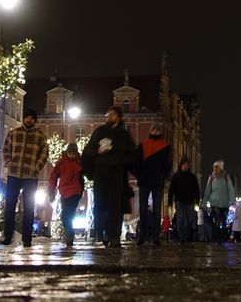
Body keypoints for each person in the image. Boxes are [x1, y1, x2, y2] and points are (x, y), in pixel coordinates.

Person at [82, 105, 136, 248]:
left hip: (117, 174)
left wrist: (120, 161)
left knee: (115, 206)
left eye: (112, 114)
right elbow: (87, 150)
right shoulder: (99, 131)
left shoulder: (124, 135)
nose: (108, 117)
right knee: (100, 205)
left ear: (118, 117)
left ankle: (114, 236)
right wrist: (98, 151)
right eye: (108, 114)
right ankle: (104, 232)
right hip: (100, 173)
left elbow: (132, 155)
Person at [0, 108, 49, 248]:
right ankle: (7, 236)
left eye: (31, 118)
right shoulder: (14, 133)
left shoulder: (40, 136)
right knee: (10, 206)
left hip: (30, 176)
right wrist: (8, 163)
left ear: (35, 120)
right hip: (14, 175)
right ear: (24, 119)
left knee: (29, 208)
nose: (29, 120)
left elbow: (44, 153)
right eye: (27, 117)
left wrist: (37, 166)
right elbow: (5, 149)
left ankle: (27, 239)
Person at [134, 123, 172, 245]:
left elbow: (168, 164)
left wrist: (163, 176)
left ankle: (156, 237)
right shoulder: (143, 145)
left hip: (157, 181)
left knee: (156, 210)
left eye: (157, 130)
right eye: (153, 129)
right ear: (151, 131)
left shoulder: (165, 146)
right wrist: (139, 175)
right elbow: (137, 162)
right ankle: (143, 235)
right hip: (145, 180)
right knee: (143, 209)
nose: (155, 131)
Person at [49, 142, 84, 248]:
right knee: (65, 215)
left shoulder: (80, 162)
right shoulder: (61, 163)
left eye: (74, 153)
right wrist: (51, 191)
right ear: (67, 153)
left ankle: (69, 235)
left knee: (69, 213)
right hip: (64, 192)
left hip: (75, 192)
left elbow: (83, 176)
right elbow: (53, 177)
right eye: (70, 153)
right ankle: (69, 233)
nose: (72, 155)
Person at [168, 158, 200, 243]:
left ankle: (187, 236)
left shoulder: (192, 177)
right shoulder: (176, 176)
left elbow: (197, 189)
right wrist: (170, 202)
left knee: (190, 219)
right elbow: (171, 190)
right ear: (181, 165)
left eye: (187, 165)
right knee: (180, 219)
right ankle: (181, 237)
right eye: (184, 164)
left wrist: (197, 201)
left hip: (190, 201)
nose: (186, 166)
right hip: (179, 201)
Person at [202, 161, 235, 241]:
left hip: (225, 203)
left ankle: (222, 237)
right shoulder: (211, 178)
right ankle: (217, 237)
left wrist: (231, 200)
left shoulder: (226, 178)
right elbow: (207, 190)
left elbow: (231, 189)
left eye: (217, 167)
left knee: (224, 221)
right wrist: (204, 202)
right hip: (214, 202)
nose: (215, 169)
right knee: (217, 219)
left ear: (221, 168)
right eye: (214, 167)